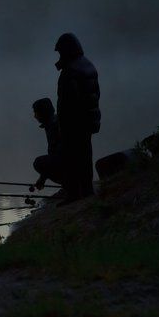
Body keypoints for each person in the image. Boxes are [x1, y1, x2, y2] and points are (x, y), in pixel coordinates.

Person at [54, 32, 101, 201]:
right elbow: (96, 95)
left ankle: (74, 195)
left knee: (71, 159)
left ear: (66, 51)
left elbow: (69, 103)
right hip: (88, 121)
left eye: (60, 52)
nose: (59, 56)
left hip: (74, 124)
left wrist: (63, 125)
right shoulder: (88, 65)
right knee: (85, 156)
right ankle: (87, 190)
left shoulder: (70, 72)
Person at [30, 98, 64, 192]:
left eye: (36, 113)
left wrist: (42, 178)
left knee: (38, 163)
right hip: (71, 161)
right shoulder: (53, 122)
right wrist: (43, 178)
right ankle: (69, 183)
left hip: (69, 162)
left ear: (42, 113)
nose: (34, 116)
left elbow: (57, 155)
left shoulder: (53, 126)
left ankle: (69, 184)